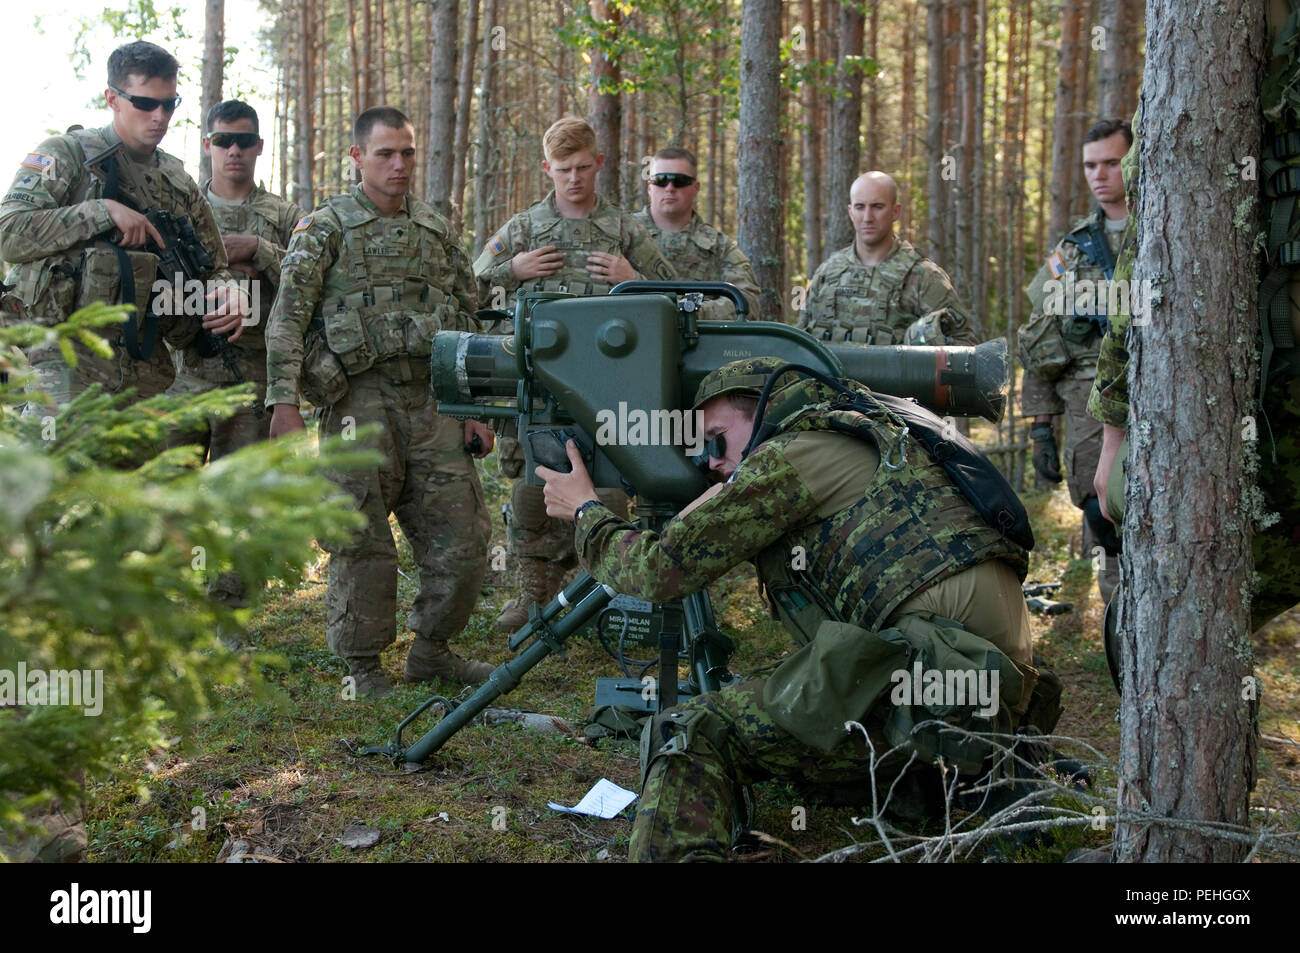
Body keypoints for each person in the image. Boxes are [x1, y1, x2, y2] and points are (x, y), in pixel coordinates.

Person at [539, 358, 1048, 862]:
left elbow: (657, 573)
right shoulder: (868, 438)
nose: (709, 459)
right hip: (989, 692)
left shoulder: (792, 453)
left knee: (692, 729)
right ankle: (975, 784)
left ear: (764, 411)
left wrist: (586, 510)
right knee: (787, 730)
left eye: (716, 437)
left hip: (928, 676)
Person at [264, 106, 494, 698]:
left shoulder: (436, 229)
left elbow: (469, 318)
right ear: (357, 158)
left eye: (408, 153)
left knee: (465, 536)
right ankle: (364, 669)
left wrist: (474, 406)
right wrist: (282, 403)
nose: (398, 164)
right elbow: (287, 319)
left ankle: (431, 652)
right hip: (354, 403)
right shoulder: (326, 228)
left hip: (432, 401)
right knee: (361, 539)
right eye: (385, 153)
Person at [473, 117, 676, 633]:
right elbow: (468, 289)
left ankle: (600, 596)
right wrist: (511, 271)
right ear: (547, 168)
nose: (574, 179)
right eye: (563, 169)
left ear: (599, 164)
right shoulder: (524, 230)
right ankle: (530, 595)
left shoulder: (626, 229)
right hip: (540, 388)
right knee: (532, 493)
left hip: (610, 387)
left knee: (607, 493)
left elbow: (678, 295)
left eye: (584, 167)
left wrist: (635, 280)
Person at [0, 41, 246, 416]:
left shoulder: (177, 182)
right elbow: (8, 232)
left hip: (143, 374)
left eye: (170, 103)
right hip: (63, 367)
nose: (160, 116)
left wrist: (230, 293)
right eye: (145, 103)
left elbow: (215, 267)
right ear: (112, 99)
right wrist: (101, 211)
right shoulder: (67, 155)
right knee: (61, 473)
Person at [1020, 119, 1131, 603]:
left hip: (1166, 389)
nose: (1100, 175)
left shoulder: (1170, 228)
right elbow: (1039, 338)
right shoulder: (1071, 249)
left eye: (1112, 162)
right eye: (1091, 165)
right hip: (1089, 401)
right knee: (1098, 508)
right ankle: (1119, 619)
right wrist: (1041, 425)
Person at [166, 100, 305, 467]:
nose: (234, 150)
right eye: (223, 139)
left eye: (244, 141)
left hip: (252, 377)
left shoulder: (285, 217)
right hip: (182, 374)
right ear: (207, 144)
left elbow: (312, 279)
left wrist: (260, 249)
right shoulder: (179, 213)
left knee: (243, 503)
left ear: (259, 146)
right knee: (165, 496)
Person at [798, 171, 978, 346]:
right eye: (860, 207)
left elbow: (965, 349)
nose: (867, 217)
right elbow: (798, 342)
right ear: (851, 212)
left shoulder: (924, 277)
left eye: (877, 207)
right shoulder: (827, 273)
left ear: (895, 211)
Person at [633, 147, 760, 320]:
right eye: (660, 180)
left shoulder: (717, 247)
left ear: (696, 187)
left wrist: (692, 312)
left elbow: (748, 302)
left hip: (698, 344)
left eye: (679, 181)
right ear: (650, 187)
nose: (669, 188)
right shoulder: (622, 235)